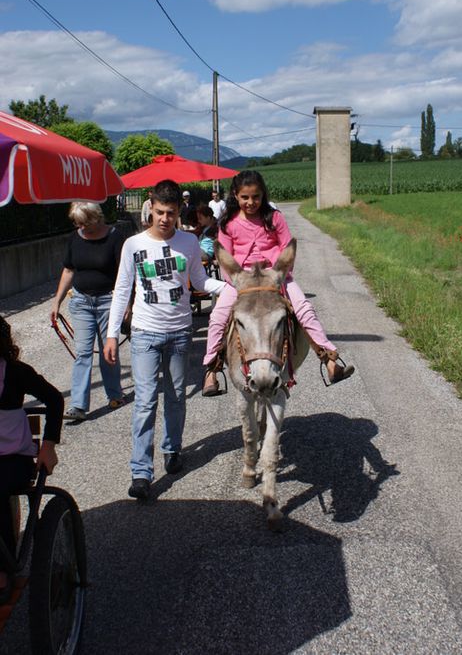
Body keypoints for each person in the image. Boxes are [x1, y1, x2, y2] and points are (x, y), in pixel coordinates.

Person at [104, 180, 225, 500]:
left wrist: (230, 288)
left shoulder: (188, 242)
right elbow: (121, 291)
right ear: (151, 208)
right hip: (144, 333)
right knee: (145, 402)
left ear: (178, 212)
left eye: (171, 213)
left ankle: (172, 450)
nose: (164, 219)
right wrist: (112, 333)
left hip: (180, 333)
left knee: (175, 399)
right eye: (159, 212)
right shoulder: (133, 245)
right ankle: (141, 471)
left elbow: (199, 281)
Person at [202, 170, 355, 396]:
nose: (250, 202)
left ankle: (329, 359)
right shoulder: (228, 224)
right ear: (236, 195)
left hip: (275, 276)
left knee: (304, 309)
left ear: (263, 195)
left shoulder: (275, 218)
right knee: (218, 317)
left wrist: (279, 274)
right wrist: (236, 280)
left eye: (256, 197)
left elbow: (286, 247)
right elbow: (225, 258)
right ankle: (211, 370)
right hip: (241, 280)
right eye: (245, 197)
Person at [0, 315, 64, 603]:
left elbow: (54, 399)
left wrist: (48, 445)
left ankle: (3, 569)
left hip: (13, 458)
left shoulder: (14, 372)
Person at [51, 202, 126, 422]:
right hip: (81, 301)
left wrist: (128, 303)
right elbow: (68, 269)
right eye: (77, 222)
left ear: (96, 218)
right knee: (83, 352)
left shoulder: (115, 237)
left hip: (108, 301)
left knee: (108, 352)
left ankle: (115, 394)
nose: (80, 226)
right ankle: (78, 405)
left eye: (83, 222)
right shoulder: (75, 238)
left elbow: (124, 272)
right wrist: (57, 301)